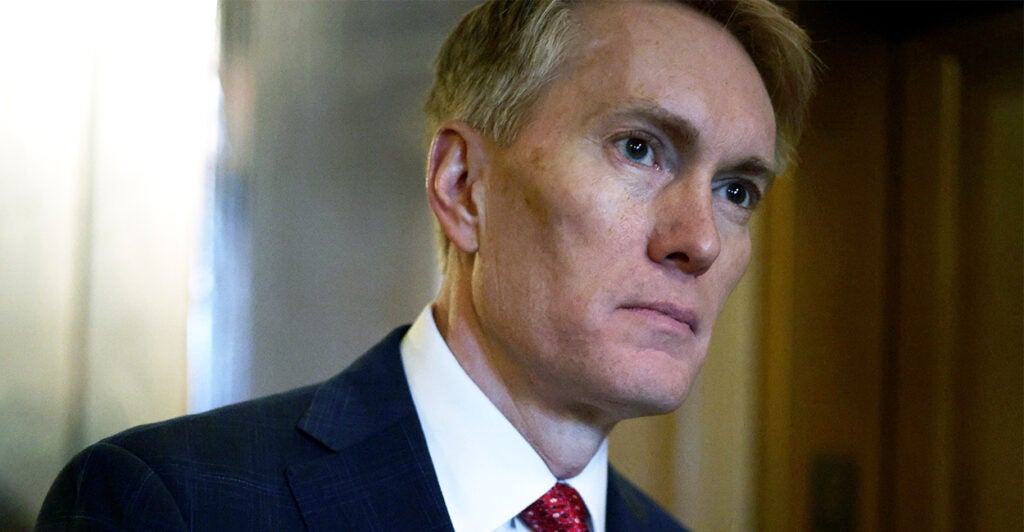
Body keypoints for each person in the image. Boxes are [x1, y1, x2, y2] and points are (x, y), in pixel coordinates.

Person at [37, 1, 815, 530]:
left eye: (736, 189)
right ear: (462, 185)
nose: (701, 239)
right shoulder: (170, 504)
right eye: (639, 148)